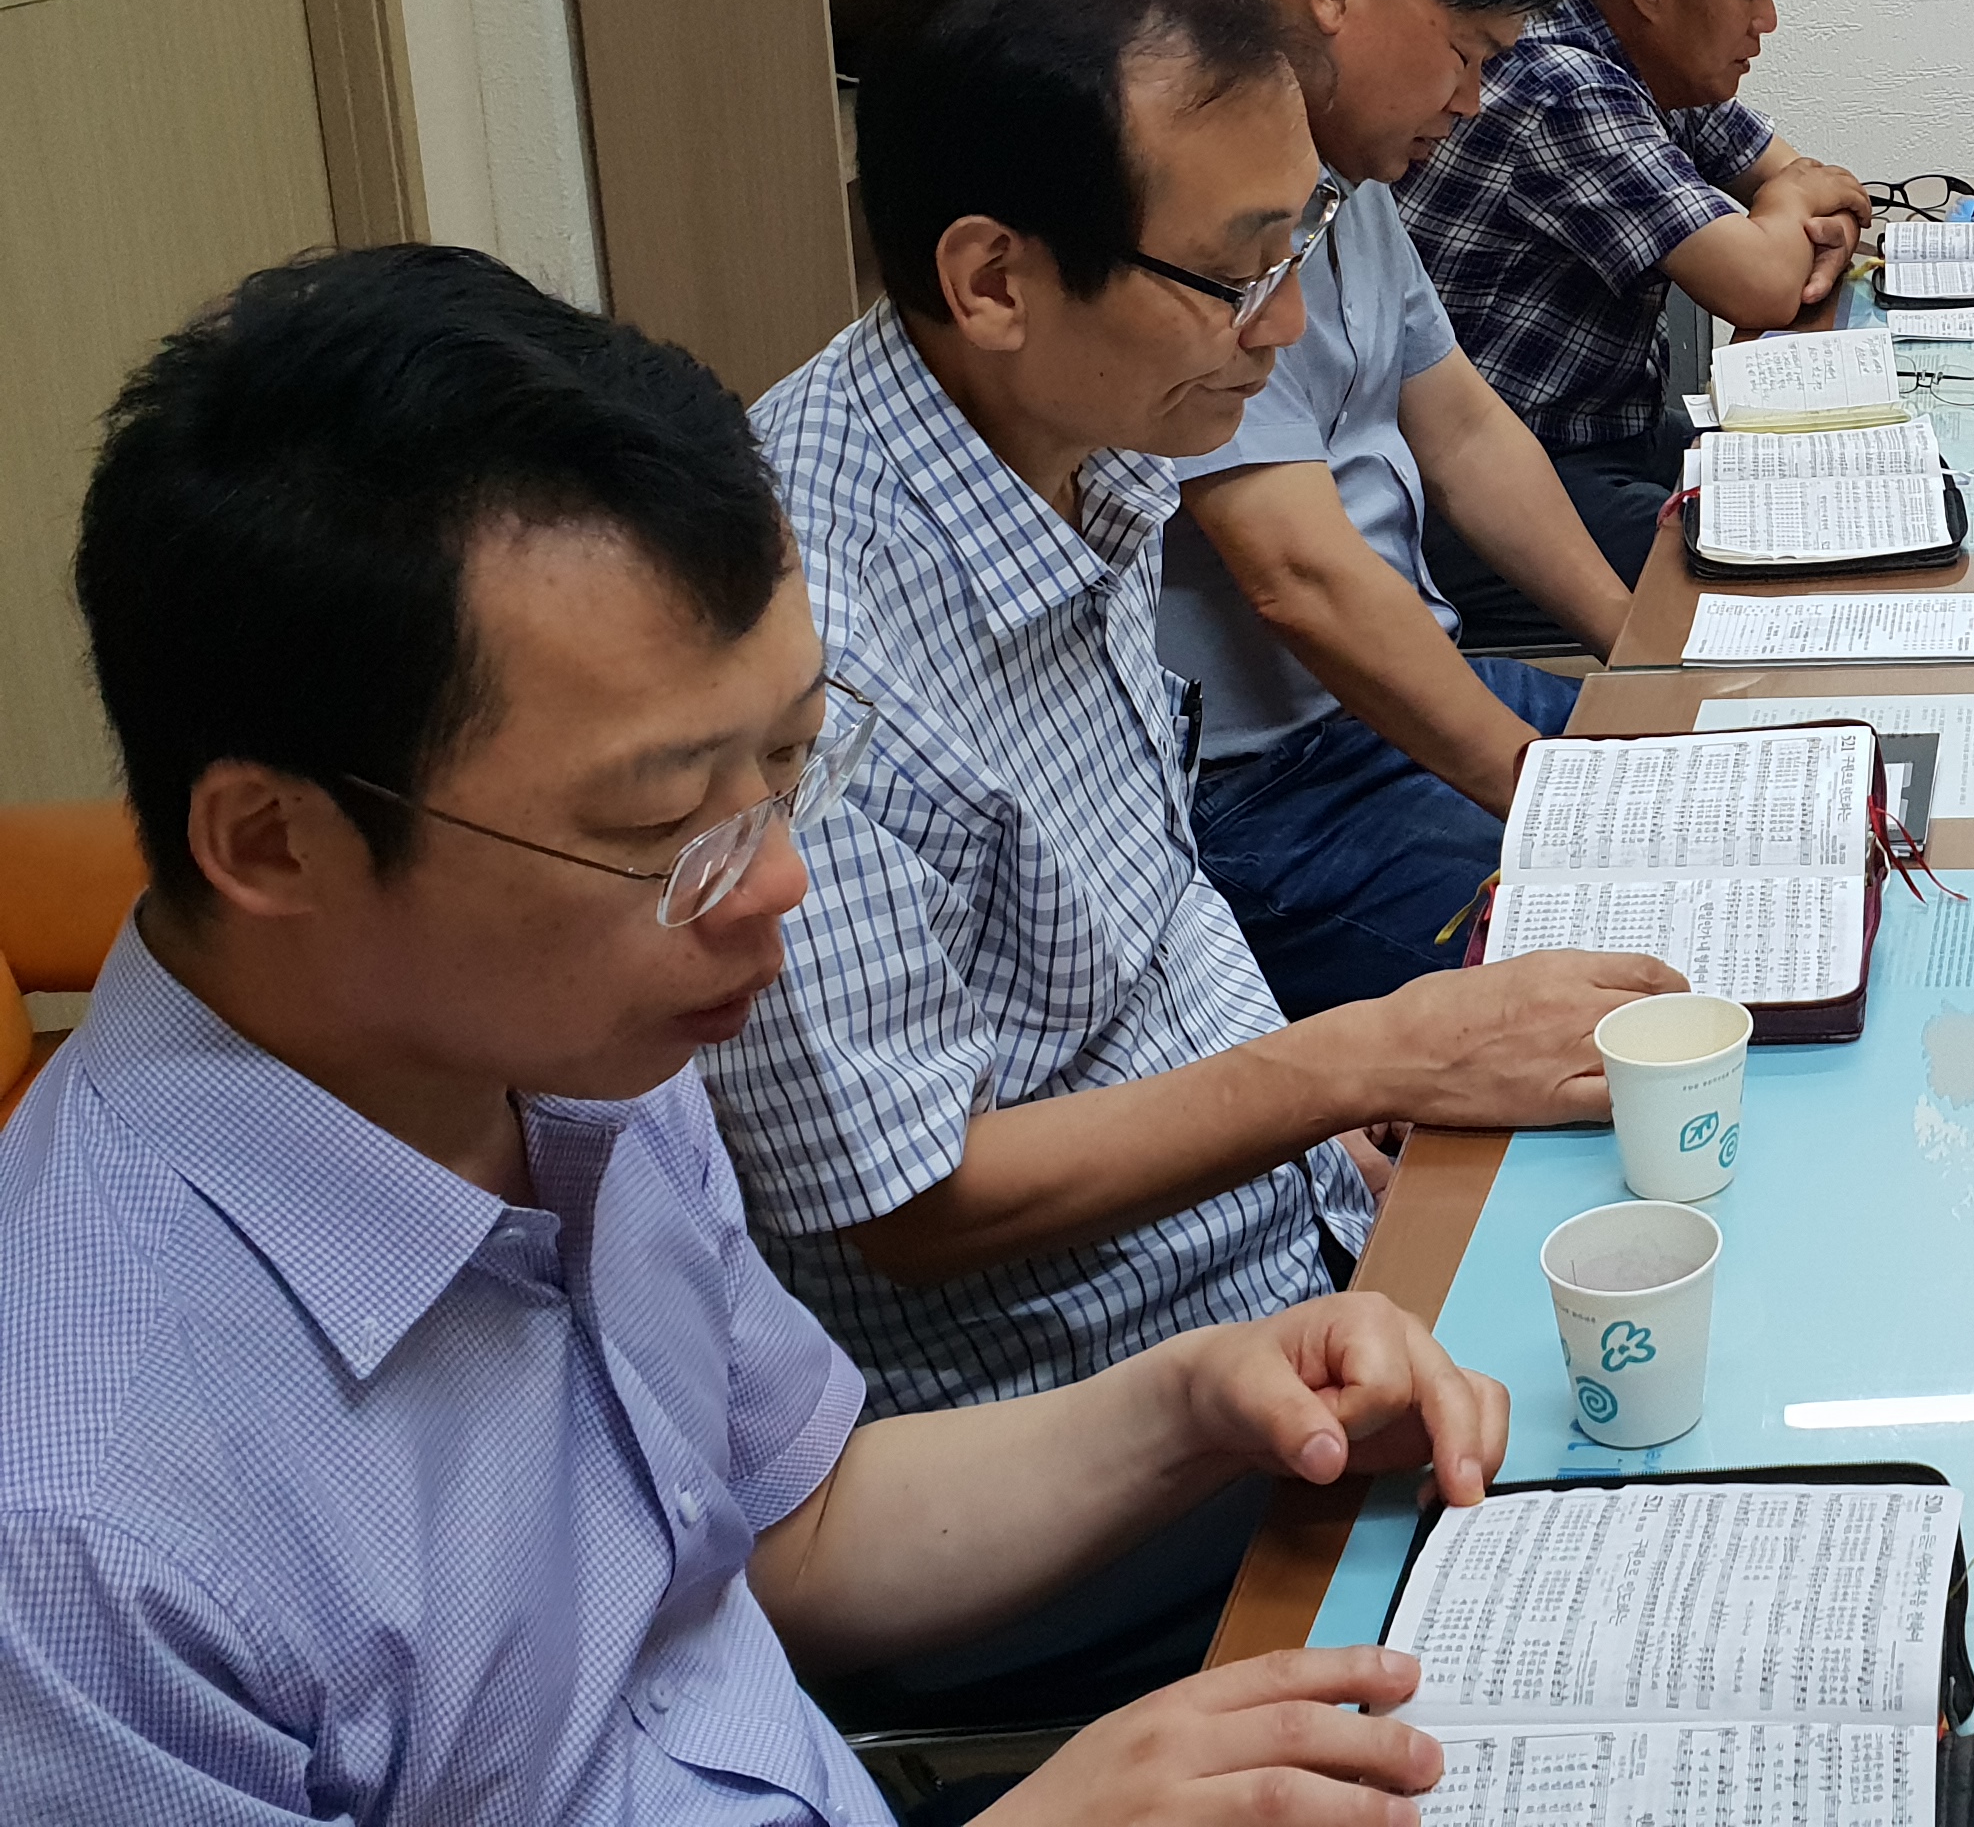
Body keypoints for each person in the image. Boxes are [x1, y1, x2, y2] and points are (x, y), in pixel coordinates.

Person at [4, 243, 1501, 1822]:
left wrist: (1195, 1403)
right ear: (272, 842)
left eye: (791, 763)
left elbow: (795, 1527)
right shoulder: (85, 1532)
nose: (779, 881)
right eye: (662, 824)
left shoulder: (574, 1058)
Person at [709, 0, 1674, 1709]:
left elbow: (1151, 906)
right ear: (994, 279)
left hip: (1289, 1242)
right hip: (1076, 1420)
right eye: (1237, 274)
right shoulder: (805, 655)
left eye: (1299, 242)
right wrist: (1356, 1057)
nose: (1285, 324)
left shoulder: (1076, 441)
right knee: (1665, 1546)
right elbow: (907, 1196)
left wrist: (1331, 1134)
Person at [1159, 0, 1632, 1016]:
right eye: (1467, 56)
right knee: (1632, 949)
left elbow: (1465, 431)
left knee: (1741, 787)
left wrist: (1644, 656)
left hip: (1401, 689)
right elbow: (1297, 579)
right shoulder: (1198, 198)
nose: (1472, 103)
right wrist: (1554, 806)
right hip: (1268, 782)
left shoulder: (1349, 176)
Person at [1397, 0, 1873, 619]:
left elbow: (1814, 189)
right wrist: (1789, 214)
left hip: (1607, 430)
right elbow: (1760, 284)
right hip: (1500, 475)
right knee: (1783, 567)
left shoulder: (1656, 62)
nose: (1767, 19)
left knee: (1839, 480)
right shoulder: (1566, 84)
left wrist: (1795, 212)